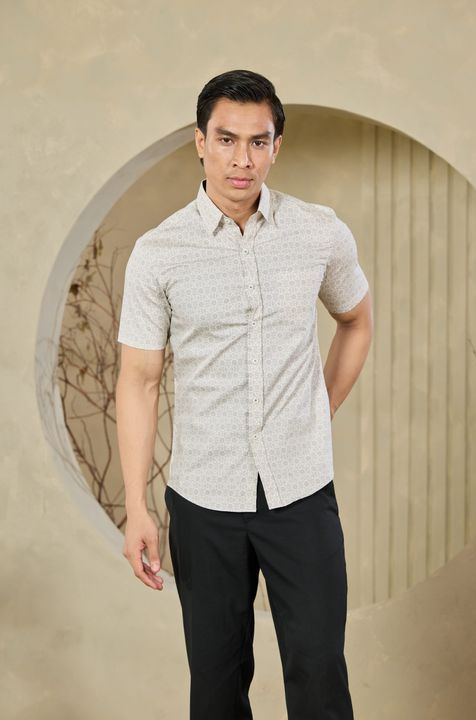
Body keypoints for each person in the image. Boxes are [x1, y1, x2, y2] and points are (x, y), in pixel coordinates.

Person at [115, 68, 373, 720]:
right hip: (204, 499)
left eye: (258, 142)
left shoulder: (318, 232)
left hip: (301, 493)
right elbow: (139, 380)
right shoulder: (158, 254)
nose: (242, 159)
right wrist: (136, 506)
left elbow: (356, 320)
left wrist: (320, 407)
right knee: (216, 689)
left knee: (320, 677)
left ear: (276, 146)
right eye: (227, 140)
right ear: (201, 142)